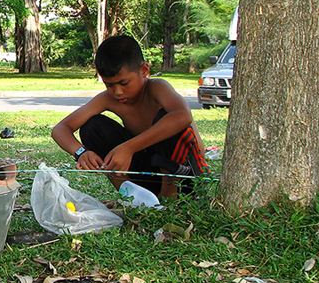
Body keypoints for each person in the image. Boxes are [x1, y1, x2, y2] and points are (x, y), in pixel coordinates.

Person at [51, 35, 206, 197]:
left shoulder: (157, 88)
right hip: (147, 174)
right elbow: (60, 129)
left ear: (144, 70)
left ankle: (169, 200)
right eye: (109, 85)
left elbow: (183, 116)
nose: (117, 92)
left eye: (124, 83)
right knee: (92, 127)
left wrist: (129, 147)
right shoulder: (107, 98)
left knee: (168, 118)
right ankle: (131, 195)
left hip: (185, 177)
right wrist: (81, 152)